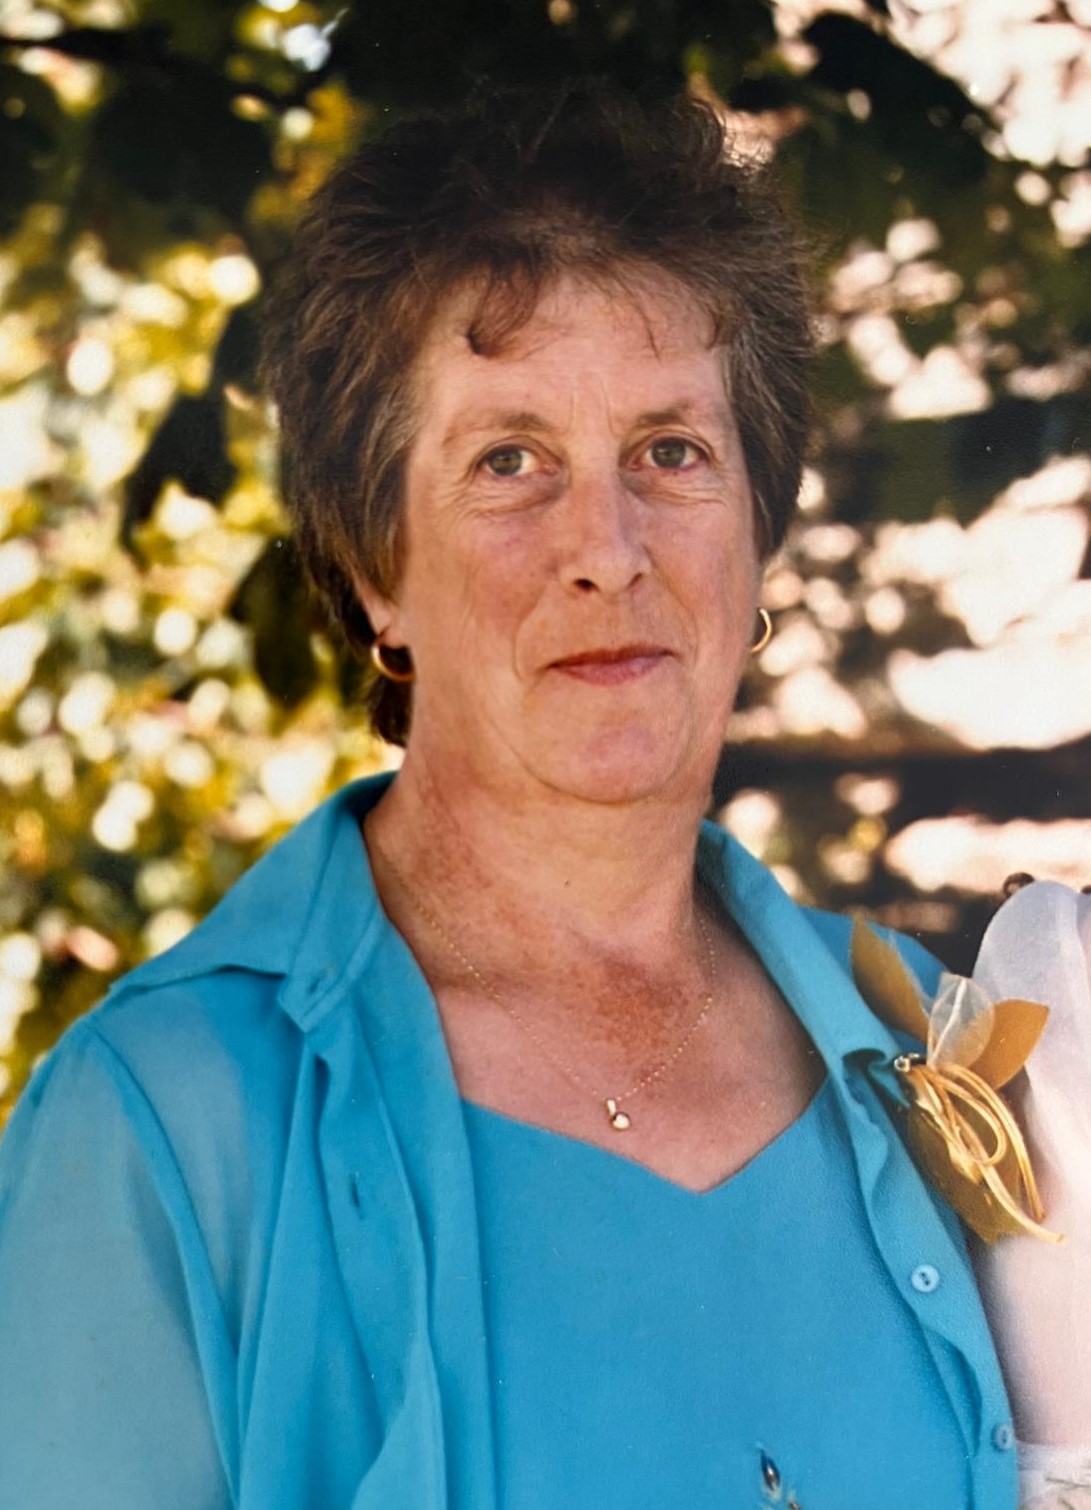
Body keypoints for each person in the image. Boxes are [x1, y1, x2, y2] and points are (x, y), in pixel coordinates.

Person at [0, 81, 1026, 1509]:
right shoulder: (167, 1121)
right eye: (509, 461)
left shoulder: (938, 1054)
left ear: (758, 529)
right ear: (377, 567)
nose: (607, 548)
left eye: (671, 451)